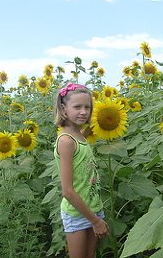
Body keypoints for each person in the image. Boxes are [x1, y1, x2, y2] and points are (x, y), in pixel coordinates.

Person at [53, 82, 109, 258]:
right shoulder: (66, 141)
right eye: (77, 107)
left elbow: (82, 143)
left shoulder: (77, 136)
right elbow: (67, 191)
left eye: (87, 107)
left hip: (92, 207)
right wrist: (96, 221)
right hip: (77, 212)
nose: (83, 112)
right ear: (63, 108)